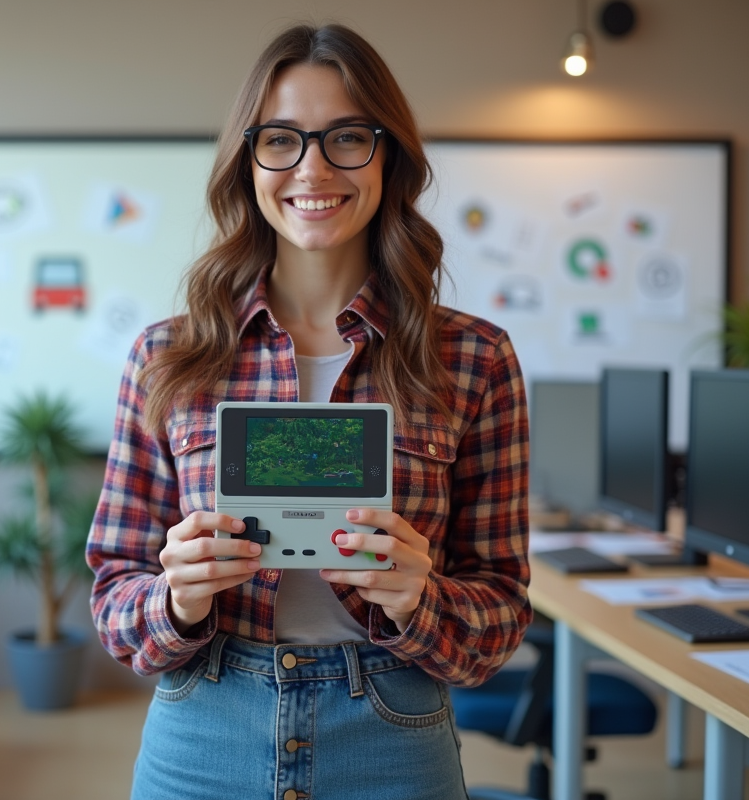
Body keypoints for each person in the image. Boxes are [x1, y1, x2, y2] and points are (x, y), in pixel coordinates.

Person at [87, 22, 530, 800]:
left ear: (388, 156)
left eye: (347, 138)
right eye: (282, 140)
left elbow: (497, 620)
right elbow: (117, 607)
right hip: (204, 729)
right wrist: (177, 597)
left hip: (392, 733)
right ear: (247, 159)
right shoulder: (167, 357)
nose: (313, 168)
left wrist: (422, 599)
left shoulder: (475, 359)